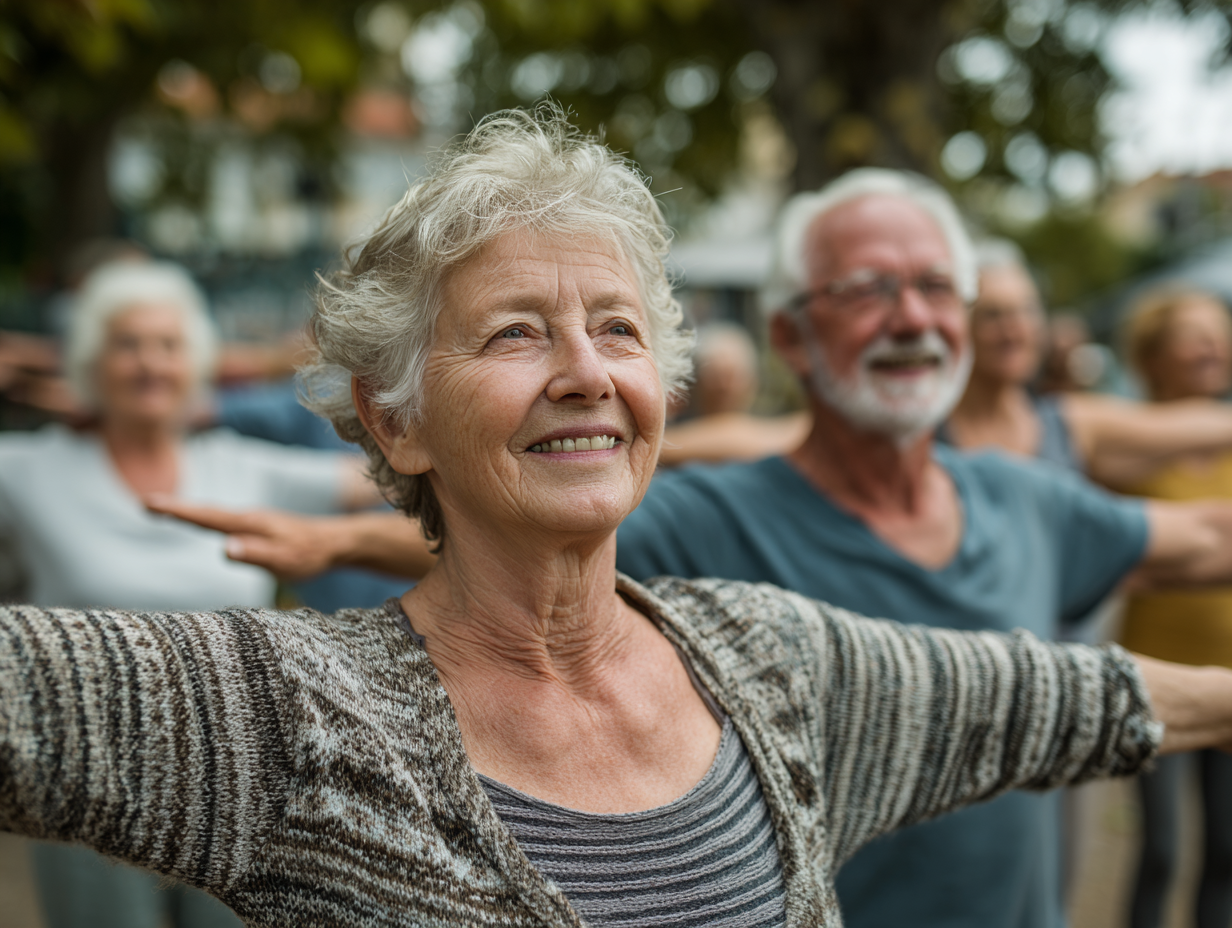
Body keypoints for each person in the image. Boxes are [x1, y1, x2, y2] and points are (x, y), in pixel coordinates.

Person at [9, 107, 1232, 928]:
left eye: (619, 327)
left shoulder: (770, 662)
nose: (586, 370)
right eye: (513, 332)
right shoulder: (297, 715)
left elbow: (1058, 695)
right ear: (396, 423)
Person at [0, 260, 395, 928]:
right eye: (128, 345)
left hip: (239, 784)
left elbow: (396, 471)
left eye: (169, 345)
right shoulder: (26, 471)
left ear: (199, 364)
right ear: (93, 362)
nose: (150, 363)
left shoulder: (242, 468)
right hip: (84, 779)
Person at [1118, 287, 1232, 928]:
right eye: (1194, 333)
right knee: (1160, 849)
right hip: (1153, 677)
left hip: (1231, 677)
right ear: (1154, 357)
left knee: (1227, 850)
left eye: (1219, 331)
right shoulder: (1127, 445)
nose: (1212, 344)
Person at [942, 241, 1232, 488]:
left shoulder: (1068, 422)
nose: (1015, 330)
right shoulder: (929, 436)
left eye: (1027, 310)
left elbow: (1181, 427)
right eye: (993, 315)